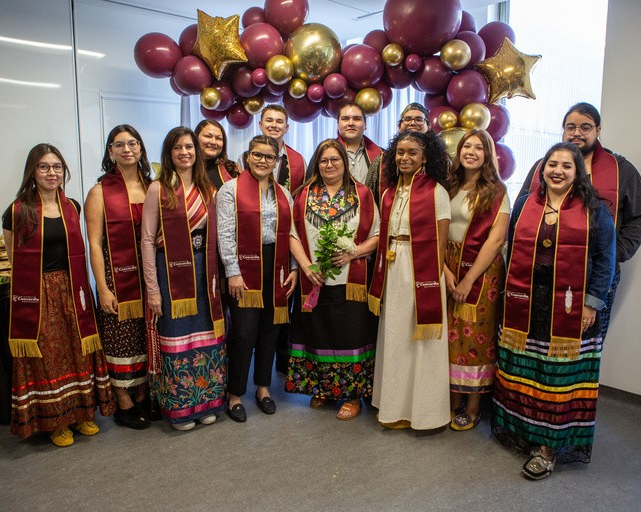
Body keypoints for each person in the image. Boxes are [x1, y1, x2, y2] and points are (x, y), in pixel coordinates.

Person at [494, 142, 615, 480]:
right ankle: (528, 433)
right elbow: (510, 246)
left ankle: (548, 449)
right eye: (552, 164)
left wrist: (592, 302)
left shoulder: (594, 210)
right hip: (527, 301)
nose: (557, 170)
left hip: (572, 306)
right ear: (542, 169)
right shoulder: (526, 203)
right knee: (530, 369)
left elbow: (606, 258)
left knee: (558, 377)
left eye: (566, 166)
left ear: (578, 173)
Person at [2, 144, 115, 446]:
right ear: (32, 171)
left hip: (72, 289)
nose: (51, 172)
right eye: (44, 167)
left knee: (79, 352)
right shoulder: (17, 211)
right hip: (38, 294)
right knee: (50, 358)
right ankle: (56, 422)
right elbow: (14, 257)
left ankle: (81, 415)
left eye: (56, 167)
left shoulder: (73, 206)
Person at [518, 102, 641, 339]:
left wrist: (616, 252)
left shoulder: (621, 170)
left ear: (598, 130)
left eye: (585, 127)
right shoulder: (543, 167)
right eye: (570, 127)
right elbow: (523, 210)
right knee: (539, 337)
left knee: (586, 337)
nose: (577, 133)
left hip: (594, 272)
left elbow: (637, 218)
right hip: (543, 270)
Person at [286, 139, 380, 420]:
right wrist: (305, 266)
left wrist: (353, 254)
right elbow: (291, 235)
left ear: (344, 163)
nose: (329, 165)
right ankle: (323, 389)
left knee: (350, 335)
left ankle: (352, 396)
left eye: (335, 160)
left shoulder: (363, 194)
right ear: (317, 163)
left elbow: (377, 235)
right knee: (318, 334)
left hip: (350, 280)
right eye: (324, 160)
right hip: (314, 279)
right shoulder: (303, 195)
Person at [141, 126, 226, 431]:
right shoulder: (158, 189)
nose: (185, 152)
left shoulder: (208, 190)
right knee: (177, 338)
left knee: (206, 336)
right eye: (178, 148)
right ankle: (180, 408)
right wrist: (153, 289)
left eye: (189, 147)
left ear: (197, 152)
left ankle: (205, 401)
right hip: (171, 273)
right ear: (169, 153)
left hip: (205, 271)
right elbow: (148, 240)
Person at [369, 131, 451, 430]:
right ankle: (392, 407)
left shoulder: (435, 192)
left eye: (412, 152)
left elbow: (440, 243)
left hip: (421, 270)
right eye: (400, 152)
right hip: (392, 266)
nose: (404, 157)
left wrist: (430, 279)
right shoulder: (389, 192)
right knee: (394, 339)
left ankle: (423, 412)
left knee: (419, 343)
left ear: (425, 156)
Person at [217, 135, 297, 422]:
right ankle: (235, 393)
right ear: (247, 157)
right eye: (257, 155)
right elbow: (225, 234)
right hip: (244, 268)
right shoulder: (230, 190)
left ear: (277, 161)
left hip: (276, 266)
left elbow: (291, 235)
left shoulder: (284, 194)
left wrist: (295, 270)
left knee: (270, 331)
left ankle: (263, 388)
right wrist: (232, 271)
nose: (263, 161)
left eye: (269, 157)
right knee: (243, 333)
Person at [85, 125, 152, 430]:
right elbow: (95, 244)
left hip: (150, 274)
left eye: (133, 143)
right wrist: (102, 287)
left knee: (144, 335)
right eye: (119, 145)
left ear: (141, 149)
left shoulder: (154, 186)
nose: (127, 149)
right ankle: (123, 402)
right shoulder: (100, 191)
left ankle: (142, 394)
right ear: (110, 152)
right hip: (117, 277)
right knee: (120, 338)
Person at [443, 130, 510, 431]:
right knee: (450, 336)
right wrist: (445, 272)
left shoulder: (497, 191)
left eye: (478, 148)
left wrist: (468, 279)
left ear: (487, 155)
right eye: (466, 146)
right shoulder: (449, 185)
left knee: (473, 337)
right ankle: (451, 397)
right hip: (448, 264)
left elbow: (496, 240)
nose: (471, 152)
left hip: (482, 272)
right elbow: (436, 230)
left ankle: (472, 405)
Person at [365, 102, 431, 203]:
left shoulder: (443, 161)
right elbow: (368, 199)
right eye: (407, 119)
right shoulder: (381, 161)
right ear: (399, 126)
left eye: (419, 119)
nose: (413, 123)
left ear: (428, 126)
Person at [238, 105, 306, 194]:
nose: (274, 125)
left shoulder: (299, 161)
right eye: (269, 120)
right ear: (260, 125)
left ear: (286, 128)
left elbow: (302, 196)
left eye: (279, 121)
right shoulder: (244, 158)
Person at [336, 102, 382, 184]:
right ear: (337, 125)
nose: (351, 123)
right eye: (345, 119)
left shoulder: (382, 156)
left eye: (357, 119)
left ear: (365, 124)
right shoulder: (324, 154)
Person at [194, 119, 240, 190]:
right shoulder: (185, 167)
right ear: (195, 138)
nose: (213, 142)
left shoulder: (231, 168)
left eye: (218, 138)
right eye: (208, 136)